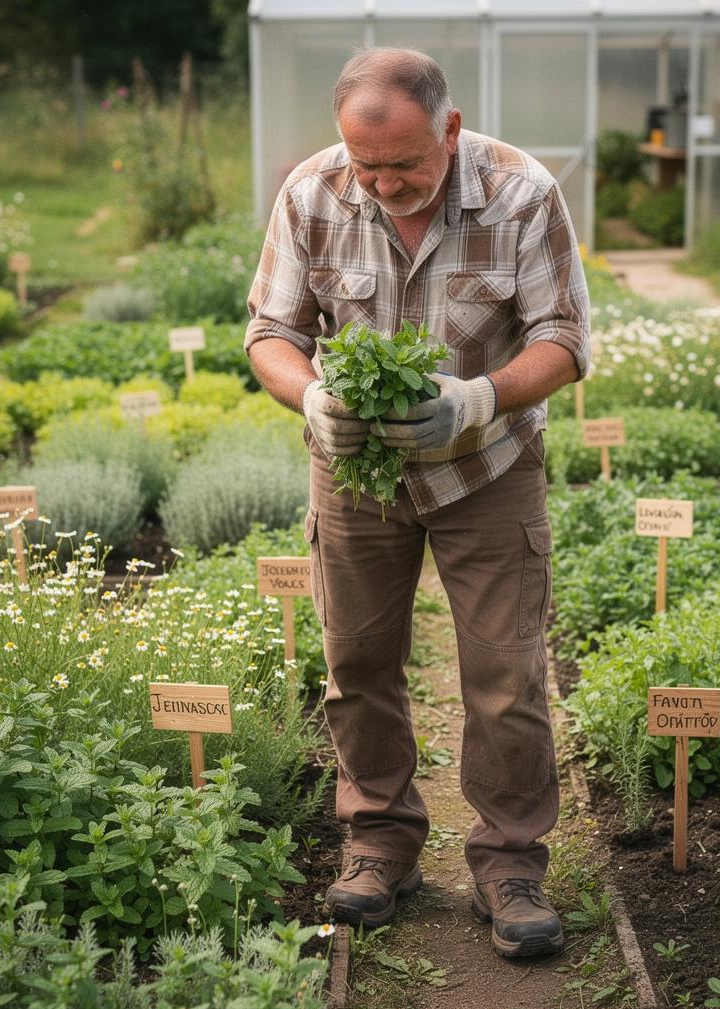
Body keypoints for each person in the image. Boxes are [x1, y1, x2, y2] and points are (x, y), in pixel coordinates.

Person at [245, 46, 590, 959]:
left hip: (488, 469)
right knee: (356, 668)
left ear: (450, 127)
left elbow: (563, 336)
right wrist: (312, 396)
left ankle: (510, 862)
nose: (385, 183)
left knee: (506, 675)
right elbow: (273, 331)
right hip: (357, 475)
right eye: (368, 165)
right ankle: (380, 846)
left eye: (406, 164)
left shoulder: (521, 193)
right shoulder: (313, 193)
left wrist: (477, 401)